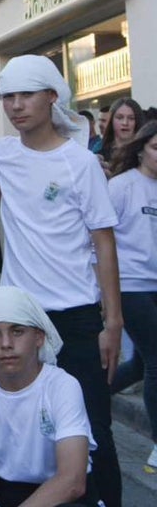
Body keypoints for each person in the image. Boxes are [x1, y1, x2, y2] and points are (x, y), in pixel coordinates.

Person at [0, 54, 123, 506]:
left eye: (25, 94)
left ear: (52, 96)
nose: (16, 106)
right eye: (7, 96)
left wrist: (113, 323)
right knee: (30, 426)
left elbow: (104, 243)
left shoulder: (80, 162)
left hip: (77, 317)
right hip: (21, 321)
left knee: (93, 426)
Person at [0, 286, 97, 507]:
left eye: (17, 331)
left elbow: (72, 482)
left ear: (39, 337)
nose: (6, 343)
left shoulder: (62, 387)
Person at [106, 119, 157, 468]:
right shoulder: (122, 186)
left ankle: (93, 392)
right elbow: (101, 237)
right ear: (141, 149)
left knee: (141, 364)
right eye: (156, 147)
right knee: (156, 360)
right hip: (131, 284)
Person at [96, 98, 141, 170]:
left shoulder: (145, 154)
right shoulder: (101, 156)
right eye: (120, 118)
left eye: (131, 118)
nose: (125, 123)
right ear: (111, 121)